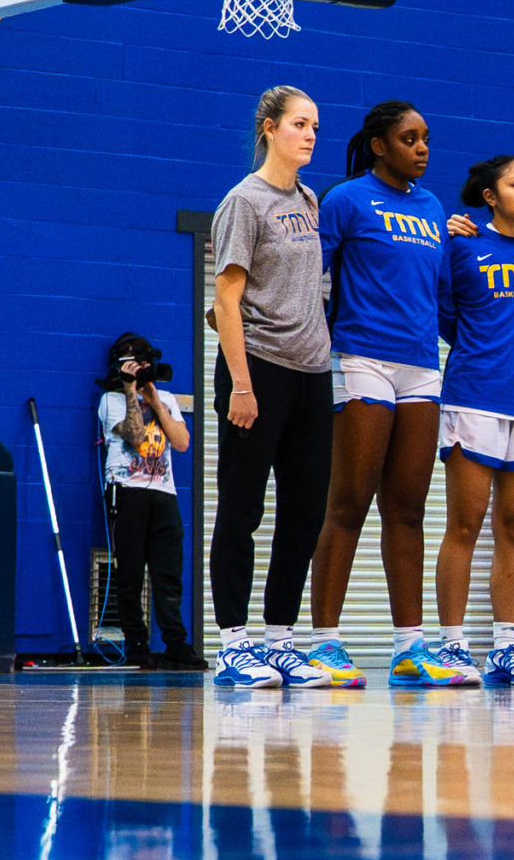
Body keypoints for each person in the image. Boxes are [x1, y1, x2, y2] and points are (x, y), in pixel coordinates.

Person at [306, 101, 469, 689]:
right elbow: (314, 283)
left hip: (423, 364)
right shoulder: (345, 200)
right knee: (348, 502)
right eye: (409, 138)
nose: (423, 148)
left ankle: (409, 649)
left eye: (426, 138)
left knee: (407, 509)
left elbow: (445, 297)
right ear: (379, 145)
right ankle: (325, 643)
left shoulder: (432, 207)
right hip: (360, 357)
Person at [210, 87, 343, 690]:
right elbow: (227, 300)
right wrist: (241, 384)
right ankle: (234, 644)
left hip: (312, 374)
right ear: (269, 129)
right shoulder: (244, 201)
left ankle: (281, 640)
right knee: (241, 508)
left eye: (315, 124)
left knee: (305, 511)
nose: (310, 134)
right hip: (257, 370)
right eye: (298, 124)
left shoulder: (310, 198)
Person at [432, 155, 514, 690]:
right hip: (474, 398)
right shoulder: (461, 245)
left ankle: (506, 649)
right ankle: (452, 645)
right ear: (490, 195)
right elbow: (444, 317)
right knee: (464, 525)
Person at [99, 333, 195, 669]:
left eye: (142, 365)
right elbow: (136, 437)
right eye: (132, 365)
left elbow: (181, 442)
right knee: (131, 576)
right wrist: (130, 390)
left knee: (168, 573)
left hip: (164, 494)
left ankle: (176, 645)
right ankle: (137, 644)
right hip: (128, 491)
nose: (139, 371)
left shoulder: (165, 397)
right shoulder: (110, 400)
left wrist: (154, 400)